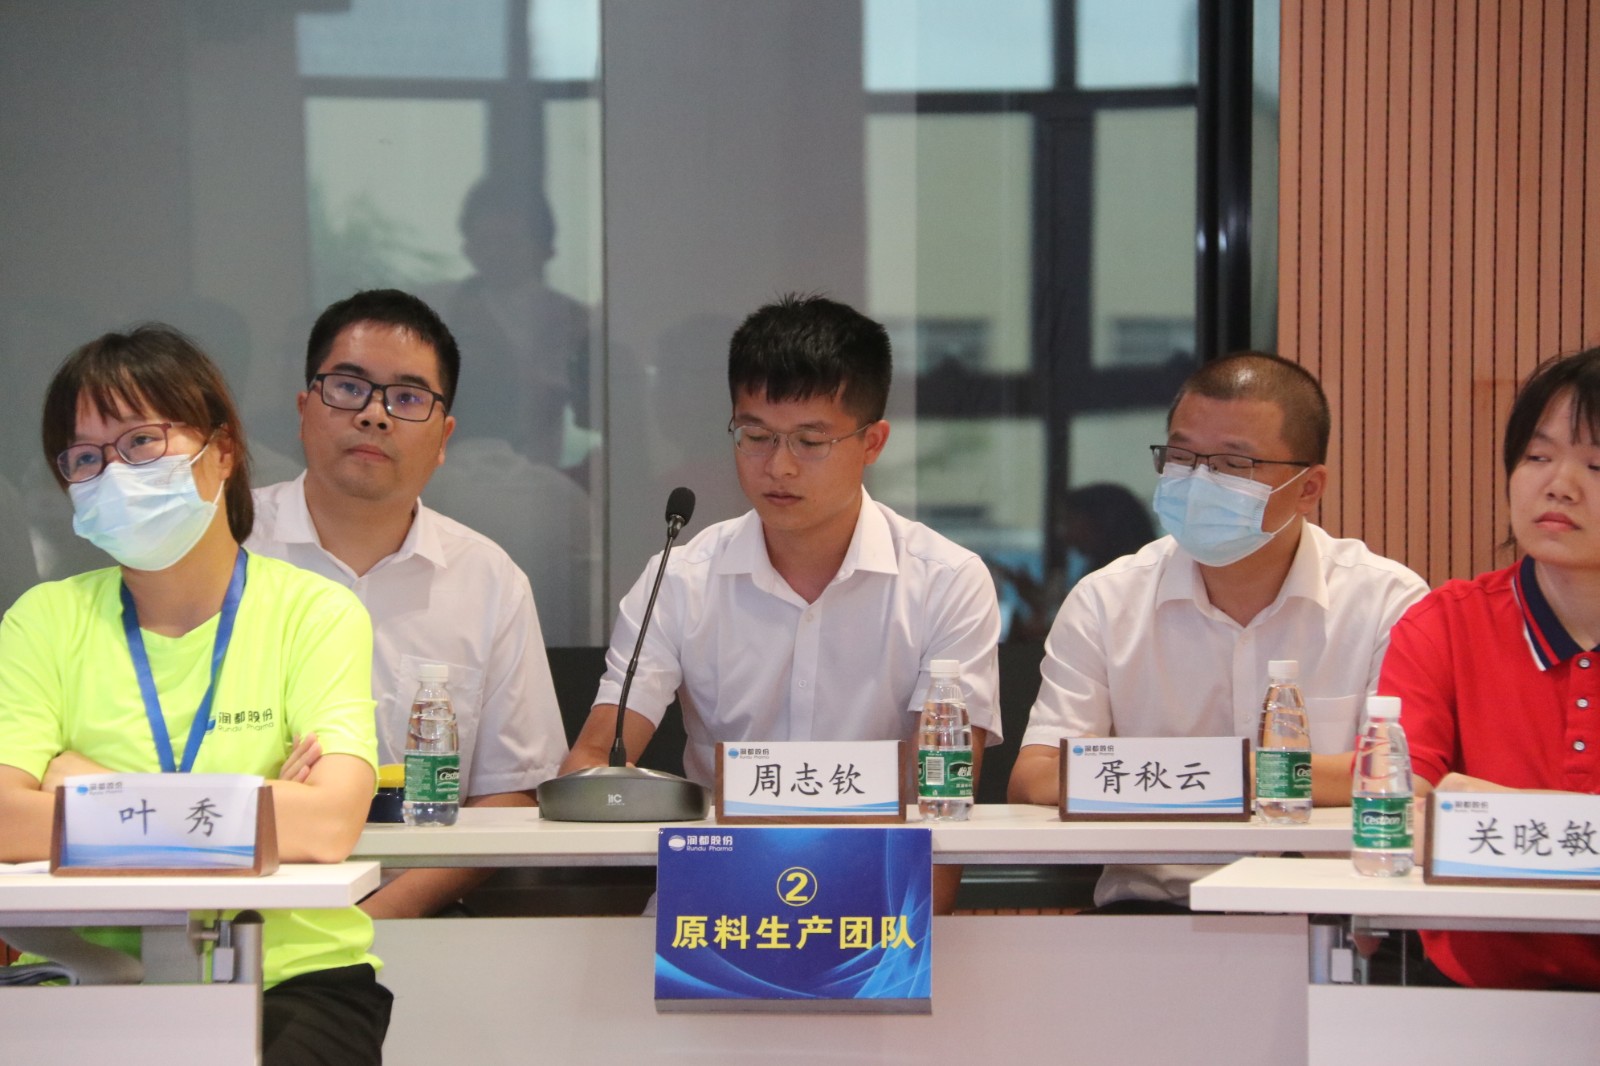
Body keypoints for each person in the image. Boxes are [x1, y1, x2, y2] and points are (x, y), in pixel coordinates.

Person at [0, 326, 390, 1063]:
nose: (114, 473)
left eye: (141, 442)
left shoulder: (315, 612)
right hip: (90, 973)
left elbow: (329, 822)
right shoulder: (42, 621)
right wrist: (256, 801)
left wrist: (86, 783)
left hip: (292, 975)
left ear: (223, 449)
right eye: (86, 458)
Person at [558, 294, 1002, 909]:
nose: (778, 467)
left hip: (877, 903)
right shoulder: (679, 579)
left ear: (872, 442)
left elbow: (944, 803)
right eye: (756, 436)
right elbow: (594, 758)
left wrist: (909, 940)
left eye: (810, 441)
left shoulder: (946, 582)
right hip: (714, 902)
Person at [1008, 351, 1428, 908]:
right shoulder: (1107, 600)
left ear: (1308, 487)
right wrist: (1258, 776)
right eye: (1182, 457)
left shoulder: (1386, 600)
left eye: (1234, 464)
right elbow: (1035, 776)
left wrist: (1217, 775)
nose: (1199, 482)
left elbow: (1404, 775)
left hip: (1335, 913)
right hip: (1153, 911)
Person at [247, 289, 568, 918]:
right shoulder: (227, 548)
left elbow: (512, 793)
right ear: (304, 410)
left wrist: (380, 920)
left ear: (444, 436)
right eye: (349, 388)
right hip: (239, 904)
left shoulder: (489, 580)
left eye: (408, 398)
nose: (375, 415)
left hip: (416, 916)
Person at [1378, 346, 1600, 990]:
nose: (1559, 485)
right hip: (1473, 999)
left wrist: (1484, 804)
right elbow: (1399, 809)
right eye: (1537, 456)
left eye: (1596, 464)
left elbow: (1448, 809)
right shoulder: (1444, 625)